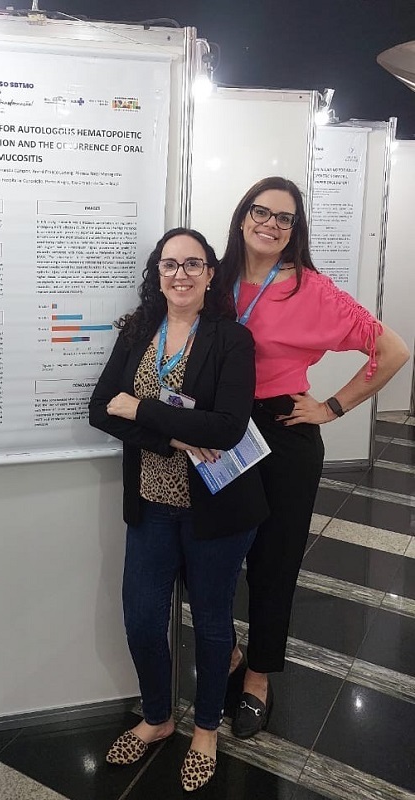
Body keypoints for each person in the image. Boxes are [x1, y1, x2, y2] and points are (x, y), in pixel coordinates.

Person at [216, 176, 410, 739]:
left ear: (295, 230)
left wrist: (332, 407)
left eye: (286, 218)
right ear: (243, 215)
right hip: (219, 430)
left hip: (283, 431)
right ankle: (226, 648)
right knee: (210, 551)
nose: (272, 224)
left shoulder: (312, 290)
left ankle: (258, 675)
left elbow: (393, 350)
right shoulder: (215, 277)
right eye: (262, 212)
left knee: (275, 560)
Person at [89, 228, 269, 791]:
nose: (180, 274)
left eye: (193, 264)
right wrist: (172, 437)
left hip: (217, 508)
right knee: (142, 617)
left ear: (211, 274)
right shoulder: (138, 331)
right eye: (169, 264)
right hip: (151, 504)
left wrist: (141, 407)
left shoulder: (232, 340)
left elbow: (227, 427)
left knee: (212, 624)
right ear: (157, 273)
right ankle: (158, 718)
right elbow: (100, 409)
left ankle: (207, 729)